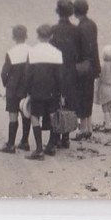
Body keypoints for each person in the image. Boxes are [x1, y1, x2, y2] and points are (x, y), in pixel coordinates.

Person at [24, 24, 63, 160]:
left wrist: (28, 91)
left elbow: (28, 75)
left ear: (38, 36)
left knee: (35, 116)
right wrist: (60, 92)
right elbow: (59, 76)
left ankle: (39, 149)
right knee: (53, 115)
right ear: (51, 36)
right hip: (53, 91)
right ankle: (51, 145)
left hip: (37, 90)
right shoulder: (57, 53)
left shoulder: (32, 52)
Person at [49, 0, 80, 149]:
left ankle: (55, 136)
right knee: (68, 102)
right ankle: (66, 136)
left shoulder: (53, 30)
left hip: (56, 71)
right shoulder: (76, 30)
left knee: (55, 103)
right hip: (70, 71)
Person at [0, 25, 31, 154]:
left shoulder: (11, 52)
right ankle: (25, 141)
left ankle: (11, 144)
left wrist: (6, 84)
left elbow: (4, 72)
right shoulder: (30, 50)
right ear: (26, 36)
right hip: (26, 88)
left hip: (13, 89)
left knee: (13, 115)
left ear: (13, 37)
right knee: (26, 113)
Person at [73, 0, 101, 140]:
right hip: (92, 65)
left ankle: (83, 129)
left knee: (81, 97)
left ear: (75, 12)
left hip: (83, 67)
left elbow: (78, 51)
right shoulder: (92, 24)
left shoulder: (79, 29)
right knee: (88, 96)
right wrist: (97, 68)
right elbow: (94, 47)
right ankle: (89, 127)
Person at [95, 45, 111, 132]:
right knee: (110, 106)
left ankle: (107, 124)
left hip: (104, 88)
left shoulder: (102, 65)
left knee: (104, 107)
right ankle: (109, 122)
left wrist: (96, 86)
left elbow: (99, 77)